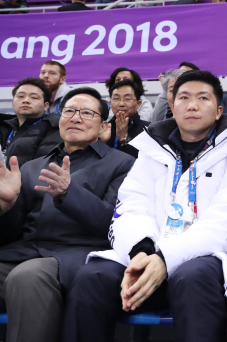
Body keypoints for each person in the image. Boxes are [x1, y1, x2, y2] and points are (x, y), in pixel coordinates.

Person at [62, 71, 227, 342]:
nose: (192, 105)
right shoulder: (151, 151)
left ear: (218, 111)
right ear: (172, 106)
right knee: (92, 277)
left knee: (193, 276)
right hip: (148, 255)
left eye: (203, 98)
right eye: (184, 97)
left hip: (209, 262)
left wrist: (166, 258)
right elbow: (132, 206)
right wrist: (141, 251)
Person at [0, 87, 134, 342]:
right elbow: (10, 233)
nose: (75, 118)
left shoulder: (122, 165)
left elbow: (113, 225)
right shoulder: (32, 167)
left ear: (104, 125)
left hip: (77, 258)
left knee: (28, 277)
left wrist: (67, 194)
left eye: (86, 113)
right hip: (24, 253)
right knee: (25, 273)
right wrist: (6, 206)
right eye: (69, 111)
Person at [0, 78, 62, 168]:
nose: (26, 100)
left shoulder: (54, 127)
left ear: (46, 106)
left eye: (34, 97)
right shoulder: (5, 127)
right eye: (21, 96)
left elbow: (43, 167)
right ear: (13, 103)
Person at [101, 80, 150, 158]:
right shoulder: (104, 128)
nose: (121, 104)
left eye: (127, 99)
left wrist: (124, 140)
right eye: (116, 98)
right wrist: (101, 142)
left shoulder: (149, 130)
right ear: (110, 103)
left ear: (138, 104)